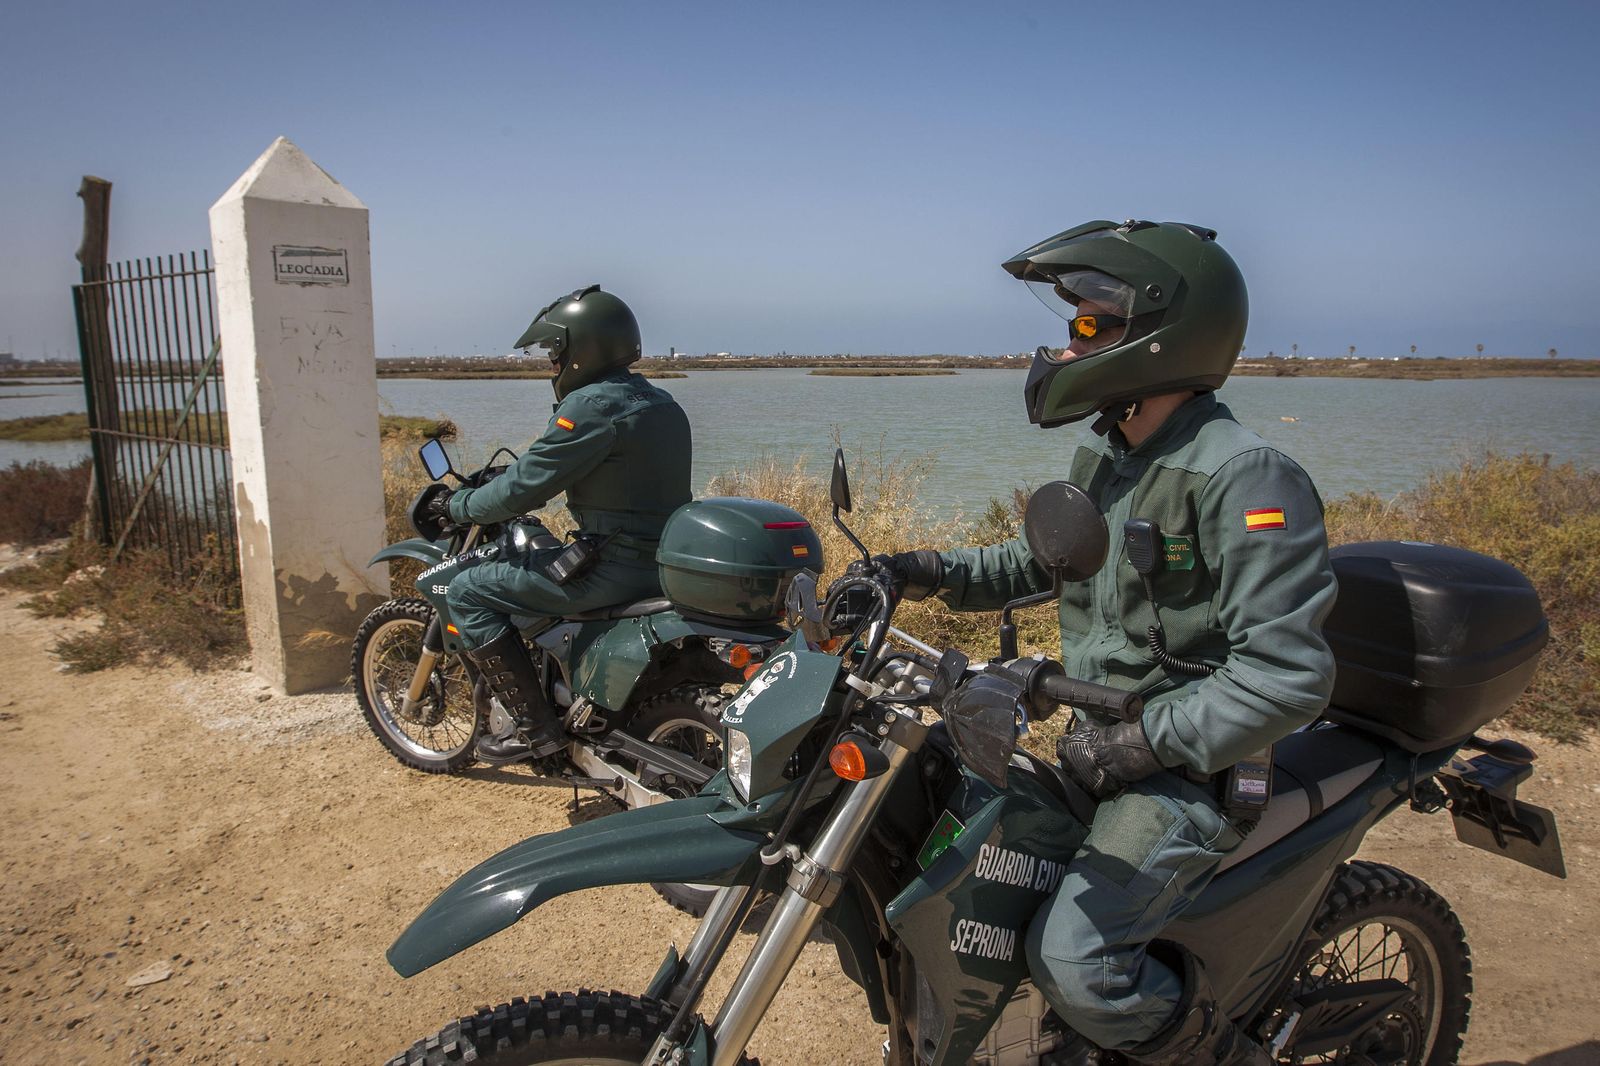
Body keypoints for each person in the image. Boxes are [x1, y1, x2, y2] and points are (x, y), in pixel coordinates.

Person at [884, 221, 1337, 1064]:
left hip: (1189, 776)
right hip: (1097, 746)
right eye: (1072, 326)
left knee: (1076, 962)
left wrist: (1142, 744)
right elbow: (1036, 561)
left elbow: (1288, 674)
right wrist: (917, 568)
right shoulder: (1113, 460)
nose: (1067, 345)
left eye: (1090, 325)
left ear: (1163, 332)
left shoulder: (1243, 474)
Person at [423, 285, 692, 763]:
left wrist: (458, 506)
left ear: (581, 349)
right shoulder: (660, 400)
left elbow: (521, 490)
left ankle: (536, 734)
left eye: (555, 350)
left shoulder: (591, 406)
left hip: (614, 568)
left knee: (467, 592)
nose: (551, 361)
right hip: (665, 560)